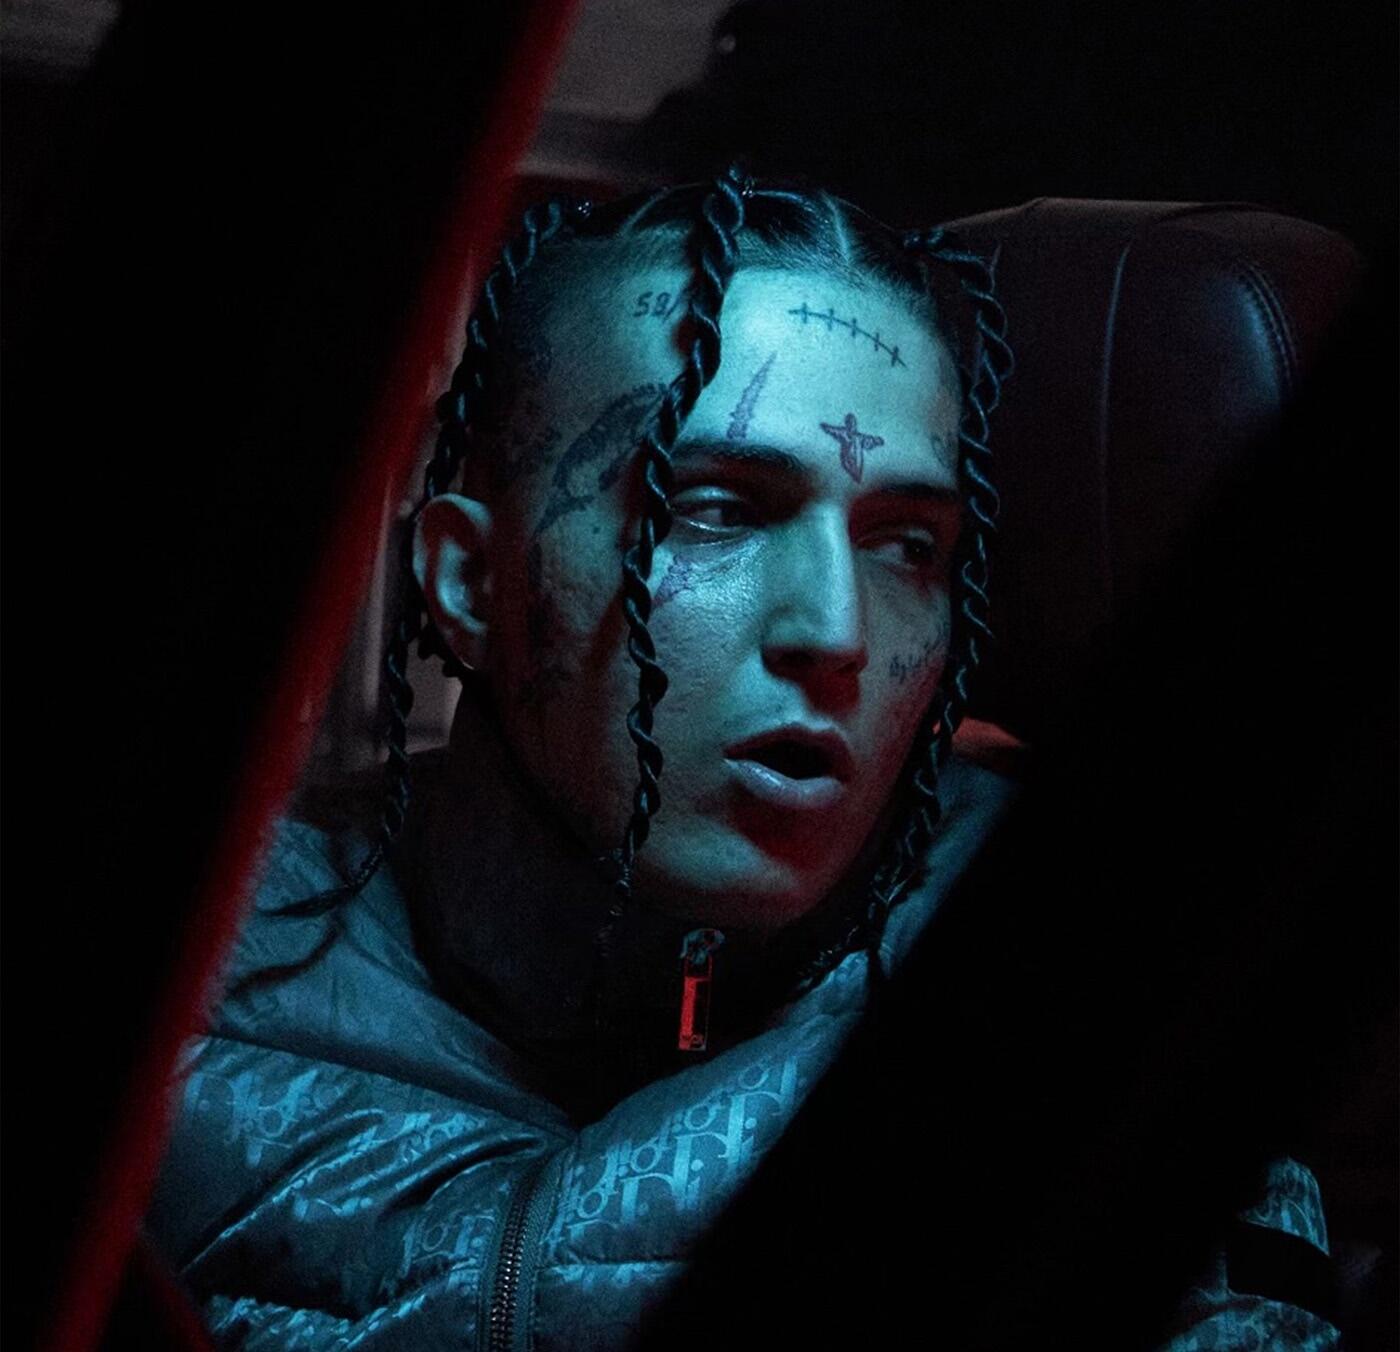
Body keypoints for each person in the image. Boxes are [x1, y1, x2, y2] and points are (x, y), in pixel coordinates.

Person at [145, 168, 1339, 1349]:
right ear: (469, 581)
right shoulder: (198, 984)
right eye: (713, 508)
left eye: (905, 544)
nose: (835, 629)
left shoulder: (1099, 963)